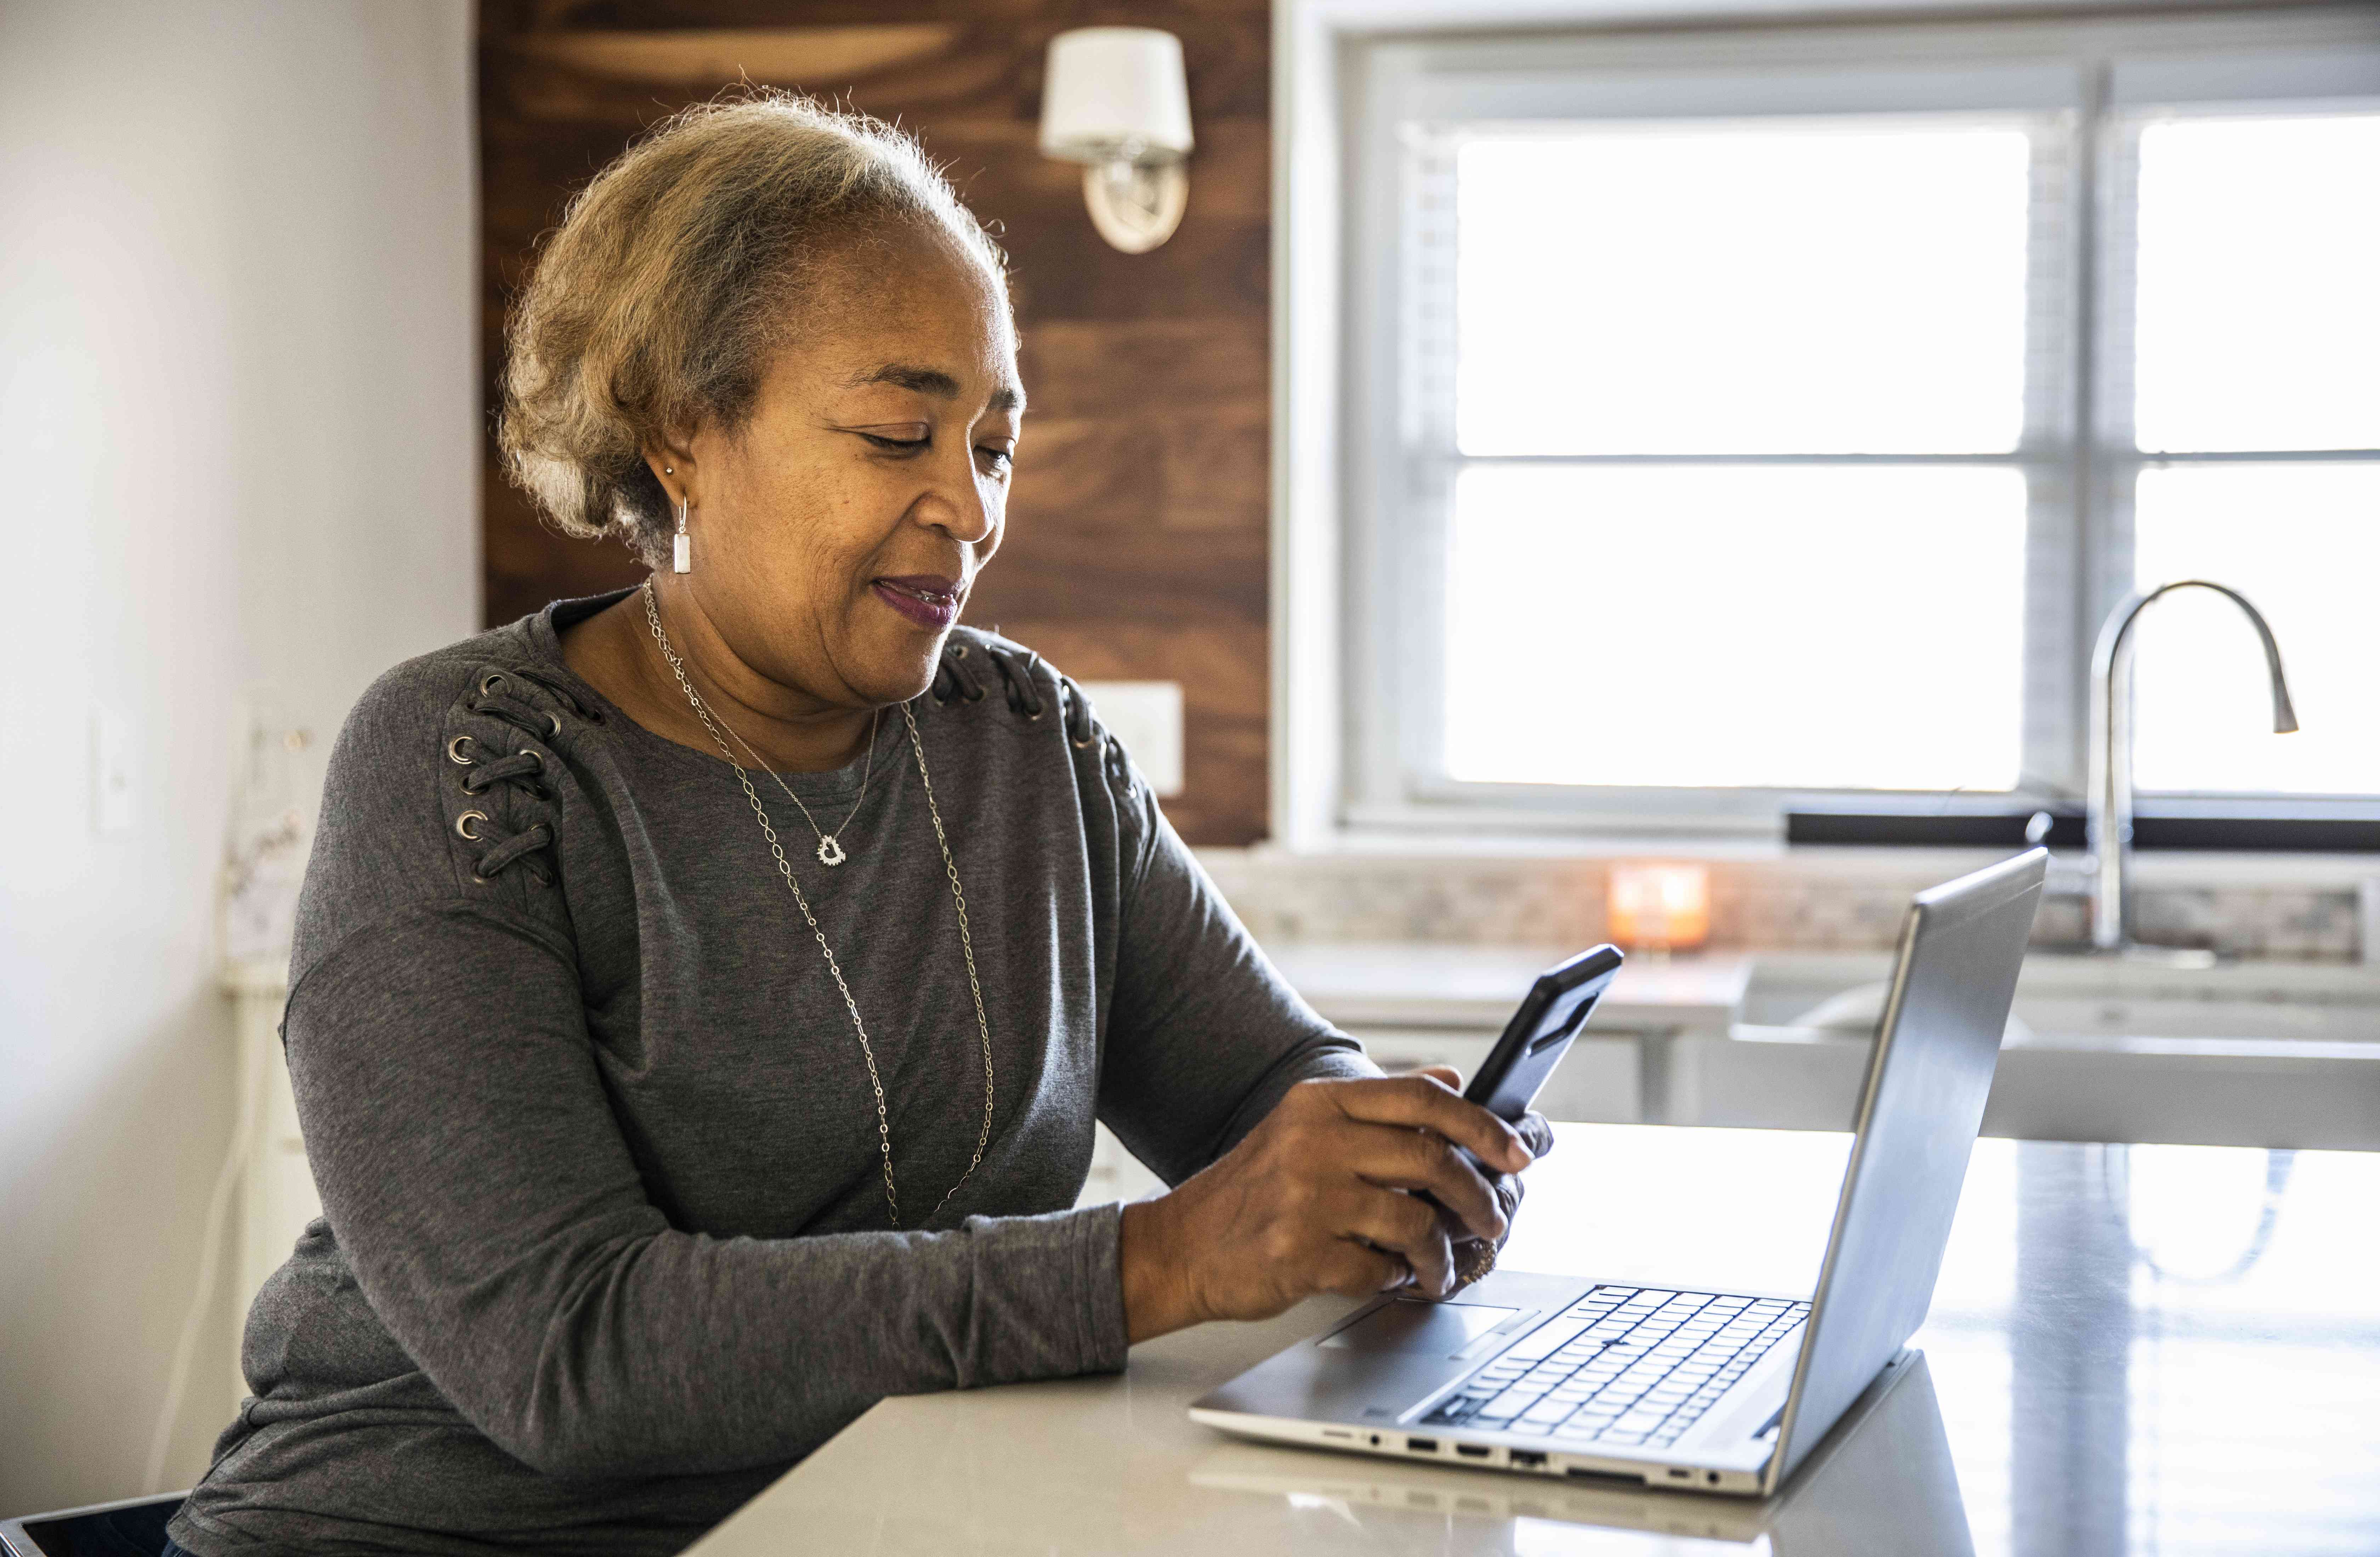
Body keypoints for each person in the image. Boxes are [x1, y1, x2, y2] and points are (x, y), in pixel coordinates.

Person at [162, 94, 1549, 1557]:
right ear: (681, 431)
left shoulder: (1029, 748)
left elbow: (1267, 1079)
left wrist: (1386, 1167)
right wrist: (1161, 1261)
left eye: (995, 445)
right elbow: (569, 1354)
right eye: (900, 434)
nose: (972, 506)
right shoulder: (470, 769)